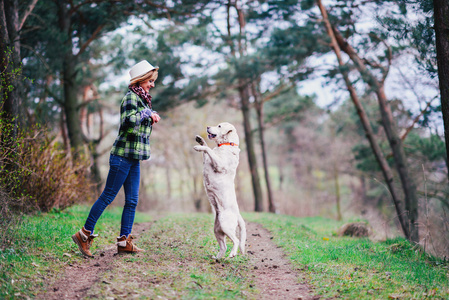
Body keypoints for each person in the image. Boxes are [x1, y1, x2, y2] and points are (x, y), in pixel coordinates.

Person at [72, 60, 161, 256]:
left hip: (133, 157)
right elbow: (128, 123)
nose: (152, 85)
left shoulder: (143, 100)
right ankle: (83, 235)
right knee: (108, 196)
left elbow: (139, 123)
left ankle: (124, 241)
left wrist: (149, 113)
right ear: (142, 80)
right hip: (121, 157)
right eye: (151, 81)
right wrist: (146, 114)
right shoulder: (131, 98)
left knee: (132, 201)